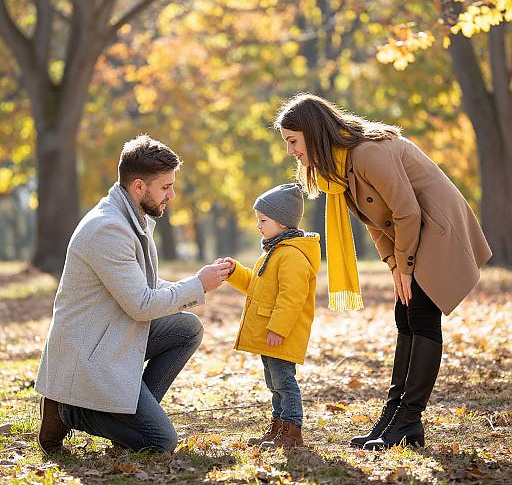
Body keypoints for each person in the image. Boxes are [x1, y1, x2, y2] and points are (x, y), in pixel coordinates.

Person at [274, 94, 492, 450]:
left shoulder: (366, 154)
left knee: (421, 315)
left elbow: (406, 211)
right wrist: (394, 267)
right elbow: (376, 222)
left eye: (293, 141)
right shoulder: (340, 169)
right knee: (404, 315)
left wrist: (405, 268)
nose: (290, 152)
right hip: (412, 233)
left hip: (435, 227)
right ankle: (394, 417)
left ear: (313, 134)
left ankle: (408, 420)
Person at [35, 135, 232, 455]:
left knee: (187, 328)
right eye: (166, 186)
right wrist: (198, 284)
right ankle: (68, 410)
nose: (172, 194)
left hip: (111, 334)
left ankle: (126, 420)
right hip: (89, 354)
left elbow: (144, 286)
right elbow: (141, 305)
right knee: (161, 442)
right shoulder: (108, 229)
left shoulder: (132, 217)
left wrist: (197, 282)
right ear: (139, 186)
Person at [220, 184, 320, 448]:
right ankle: (278, 427)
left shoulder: (292, 256)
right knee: (274, 383)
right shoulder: (274, 251)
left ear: (283, 223)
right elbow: (257, 287)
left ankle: (292, 431)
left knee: (285, 383)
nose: (258, 226)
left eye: (263, 220)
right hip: (271, 333)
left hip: (280, 334)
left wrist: (278, 328)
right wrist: (235, 272)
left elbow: (292, 297)